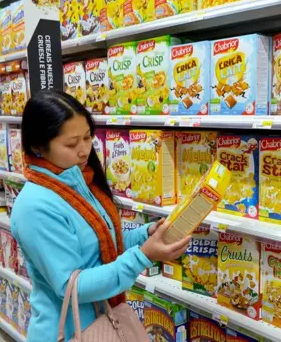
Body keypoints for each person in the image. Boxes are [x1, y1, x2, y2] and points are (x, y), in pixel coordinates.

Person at [11, 90, 190, 342]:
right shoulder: (35, 206)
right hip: (72, 333)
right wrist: (143, 257)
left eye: (87, 137)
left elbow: (99, 247)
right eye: (71, 144)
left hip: (106, 320)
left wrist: (145, 235)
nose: (84, 150)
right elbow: (72, 287)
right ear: (38, 146)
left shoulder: (79, 182)